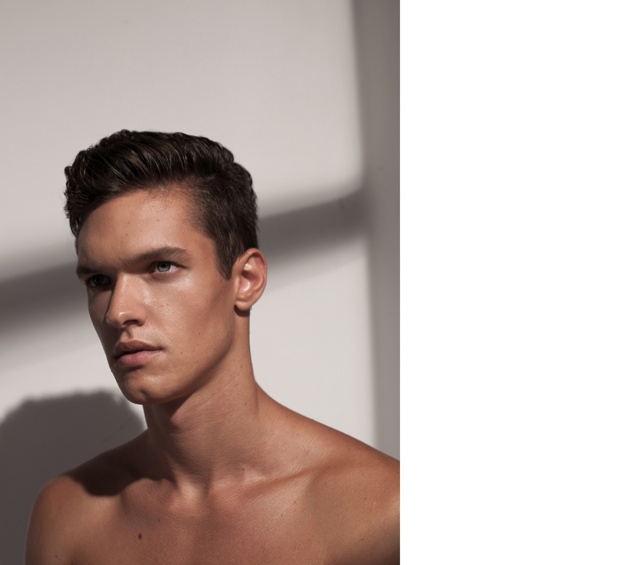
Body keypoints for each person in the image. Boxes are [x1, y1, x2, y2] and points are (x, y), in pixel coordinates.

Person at [25, 130, 400, 564]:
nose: (118, 311)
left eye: (161, 266)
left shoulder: (384, 514)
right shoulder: (68, 517)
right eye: (99, 280)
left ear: (246, 280)